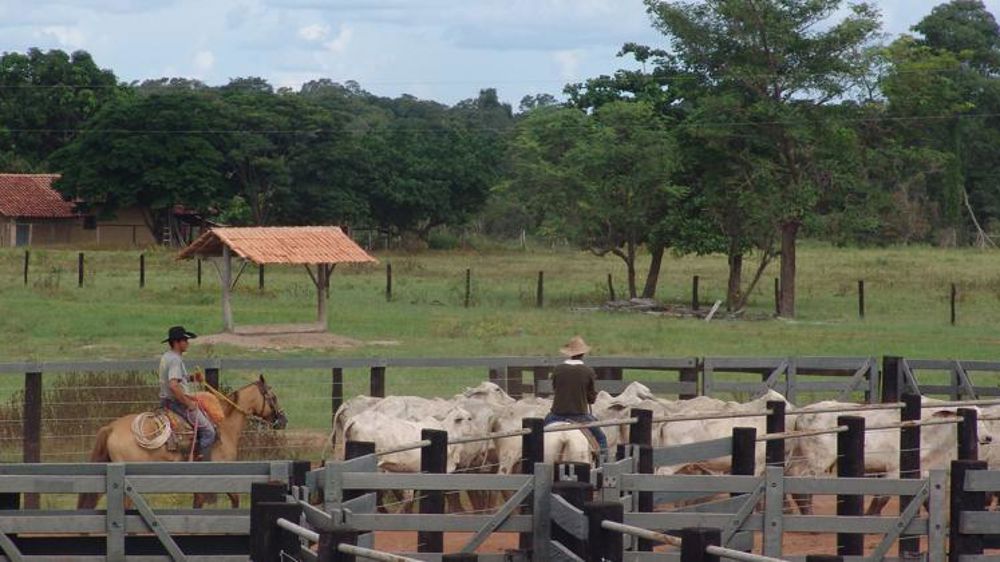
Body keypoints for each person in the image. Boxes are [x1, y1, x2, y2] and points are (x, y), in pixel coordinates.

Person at [158, 325, 216, 461]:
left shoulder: (167, 356)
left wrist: (192, 378)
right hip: (176, 403)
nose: (187, 343)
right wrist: (188, 403)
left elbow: (176, 380)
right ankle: (202, 465)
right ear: (177, 342)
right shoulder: (175, 360)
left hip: (166, 401)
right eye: (185, 340)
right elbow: (173, 385)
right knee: (209, 431)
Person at [544, 336, 608, 452]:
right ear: (583, 354)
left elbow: (555, 388)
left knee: (536, 435)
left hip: (557, 414)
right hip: (580, 415)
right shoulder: (588, 371)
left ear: (569, 354)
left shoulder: (558, 369)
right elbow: (591, 398)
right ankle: (603, 465)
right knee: (601, 438)